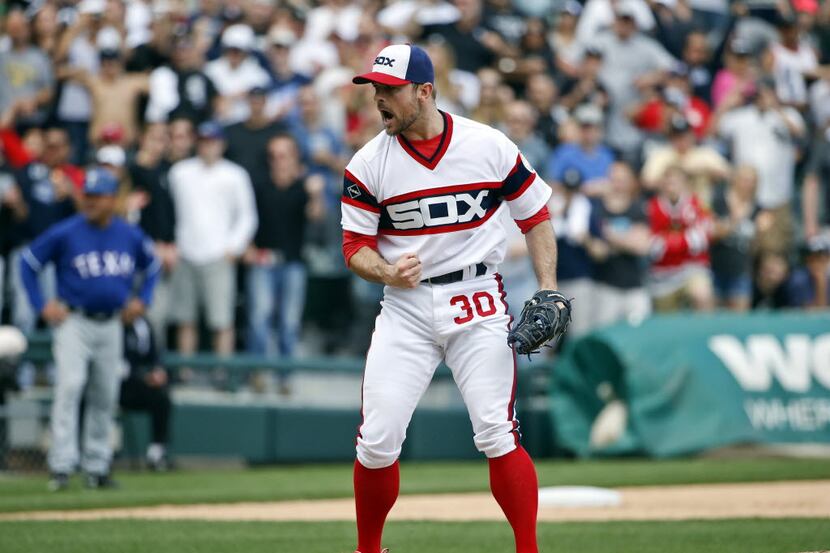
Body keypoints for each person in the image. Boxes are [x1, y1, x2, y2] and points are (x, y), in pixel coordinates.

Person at [342, 44, 563, 553]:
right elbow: (354, 248)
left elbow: (535, 217)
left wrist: (548, 287)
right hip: (406, 305)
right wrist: (386, 272)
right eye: (375, 89)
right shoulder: (368, 163)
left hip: (477, 297)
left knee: (496, 431)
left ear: (424, 91)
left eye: (389, 90)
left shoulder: (487, 145)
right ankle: (368, 550)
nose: (379, 99)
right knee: (377, 441)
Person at [18, 167, 160, 491]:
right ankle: (61, 466)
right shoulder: (66, 231)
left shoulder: (128, 234)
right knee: (70, 386)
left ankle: (97, 467)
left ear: (112, 199)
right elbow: (27, 262)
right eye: (87, 196)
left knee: (105, 394)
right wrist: (41, 304)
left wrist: (145, 300)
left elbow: (152, 266)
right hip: (75, 321)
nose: (91, 202)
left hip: (111, 323)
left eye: (98, 197)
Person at [167, 121, 257, 357]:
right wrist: (174, 243)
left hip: (219, 256)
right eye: (204, 142)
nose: (208, 147)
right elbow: (169, 212)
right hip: (186, 253)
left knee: (222, 321)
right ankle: (185, 372)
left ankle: (222, 374)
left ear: (221, 144)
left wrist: (233, 248)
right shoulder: (180, 173)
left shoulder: (235, 175)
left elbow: (247, 216)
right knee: (185, 319)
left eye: (213, 142)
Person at [244, 134, 324, 358]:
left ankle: (284, 377)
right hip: (262, 260)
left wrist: (316, 195)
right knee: (259, 318)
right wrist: (248, 247)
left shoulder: (303, 187)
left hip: (293, 262)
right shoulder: (259, 186)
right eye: (273, 156)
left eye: (283, 155)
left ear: (294, 157)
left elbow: (316, 217)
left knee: (289, 321)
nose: (278, 160)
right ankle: (257, 371)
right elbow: (247, 220)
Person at [120, 315, 172, 471]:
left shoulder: (144, 325)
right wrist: (142, 377)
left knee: (162, 398)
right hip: (119, 386)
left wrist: (158, 371)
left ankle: (156, 453)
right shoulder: (113, 325)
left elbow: (154, 356)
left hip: (141, 386)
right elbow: (117, 366)